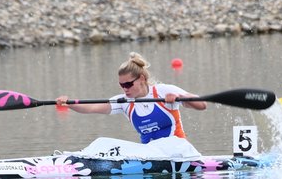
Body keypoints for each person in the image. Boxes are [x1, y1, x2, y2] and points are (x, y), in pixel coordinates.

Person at [56, 52, 207, 158]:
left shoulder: (163, 91)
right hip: (151, 154)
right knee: (101, 142)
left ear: (141, 78)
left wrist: (180, 98)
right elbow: (92, 107)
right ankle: (79, 158)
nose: (125, 89)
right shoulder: (124, 102)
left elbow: (201, 105)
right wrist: (69, 103)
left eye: (128, 84)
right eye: (122, 85)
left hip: (178, 151)